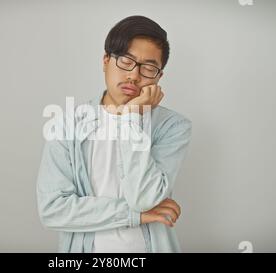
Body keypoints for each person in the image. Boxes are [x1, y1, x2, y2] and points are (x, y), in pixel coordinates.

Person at [36, 15, 192, 253]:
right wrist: (135, 215)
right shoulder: (67, 125)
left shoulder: (173, 126)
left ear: (159, 77)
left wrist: (132, 118)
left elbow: (144, 198)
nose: (134, 75)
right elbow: (53, 210)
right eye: (126, 61)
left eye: (148, 68)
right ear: (106, 60)